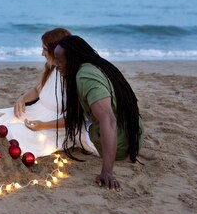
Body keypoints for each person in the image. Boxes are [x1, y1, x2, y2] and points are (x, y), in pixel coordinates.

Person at [55, 35, 144, 191]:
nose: (56, 65)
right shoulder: (95, 65)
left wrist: (107, 172)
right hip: (134, 134)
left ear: (73, 59)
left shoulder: (85, 76)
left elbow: (108, 119)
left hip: (122, 145)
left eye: (60, 60)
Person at [0, 28, 98, 157]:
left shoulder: (75, 77)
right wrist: (22, 99)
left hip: (54, 124)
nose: (42, 53)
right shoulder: (52, 67)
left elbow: (74, 119)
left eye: (45, 49)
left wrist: (42, 126)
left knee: (13, 132)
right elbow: (37, 90)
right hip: (37, 111)